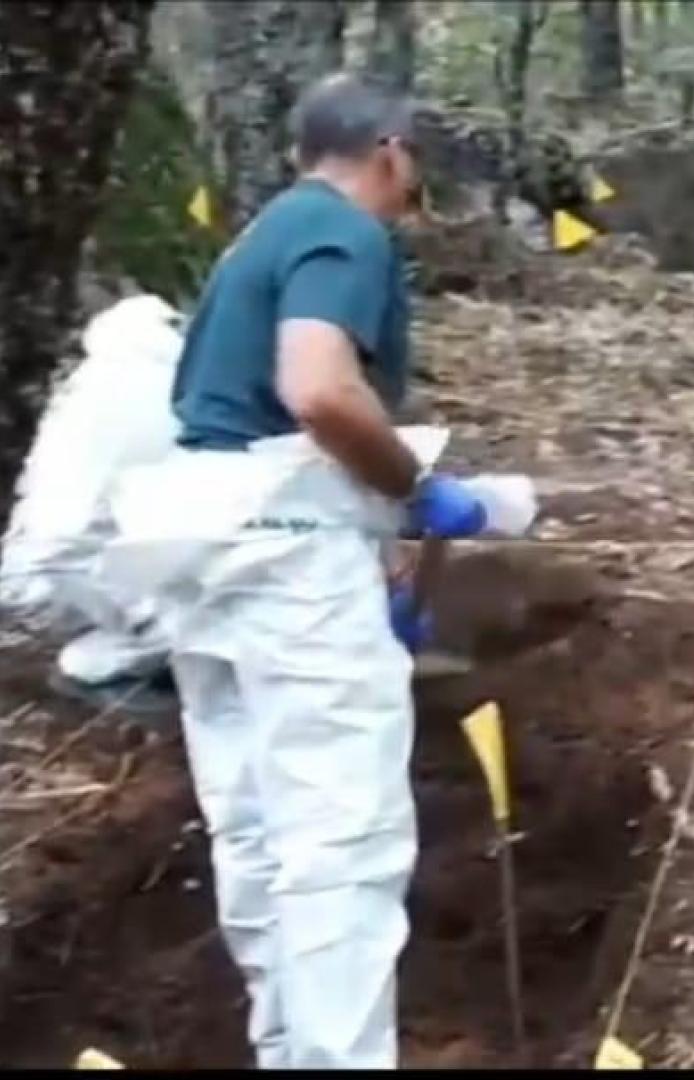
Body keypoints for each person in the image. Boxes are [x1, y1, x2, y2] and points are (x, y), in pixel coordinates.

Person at [98, 74, 505, 1068]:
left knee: (256, 829)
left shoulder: (261, 233)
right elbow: (318, 389)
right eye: (415, 175)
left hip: (202, 550)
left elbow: (244, 418)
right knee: (341, 843)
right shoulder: (346, 233)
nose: (413, 197)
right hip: (284, 565)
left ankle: (288, 1049)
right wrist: (413, 491)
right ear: (392, 153)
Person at [1, 296, 185, 715]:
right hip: (68, 580)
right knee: (217, 621)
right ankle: (109, 672)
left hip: (36, 576)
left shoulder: (97, 383)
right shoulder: (154, 389)